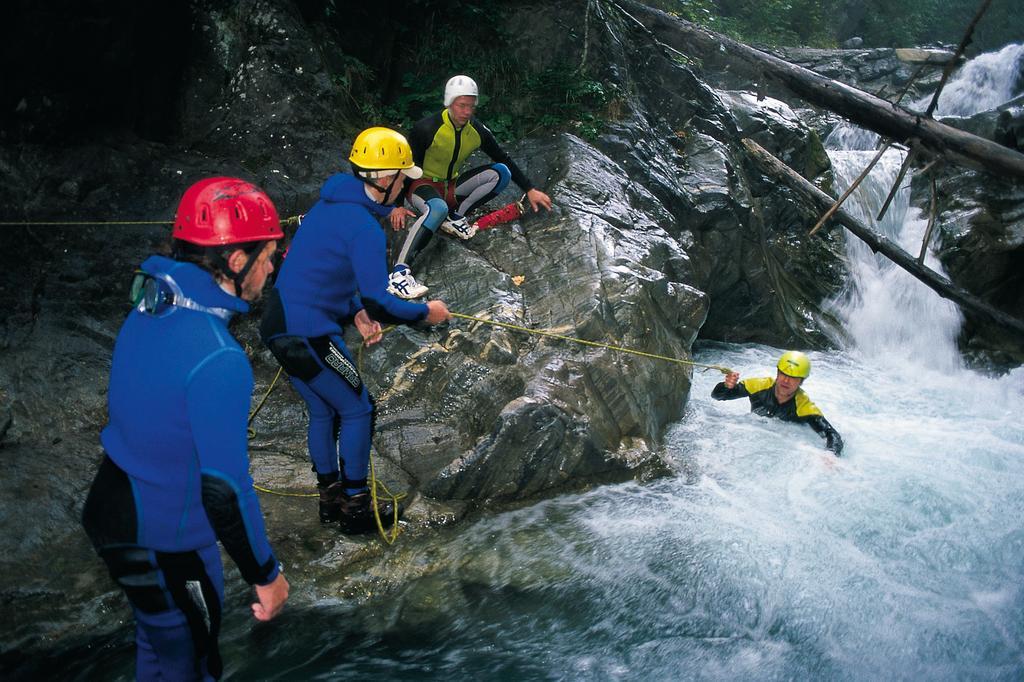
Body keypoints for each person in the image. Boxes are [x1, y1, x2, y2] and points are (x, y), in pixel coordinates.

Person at [81, 177, 290, 681]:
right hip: (161, 538)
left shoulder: (153, 303)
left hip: (116, 505)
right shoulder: (219, 358)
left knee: (161, 653)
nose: (272, 265)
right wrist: (266, 575)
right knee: (193, 666)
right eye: (267, 254)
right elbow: (224, 489)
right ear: (235, 262)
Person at [260, 126, 451, 533]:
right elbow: (381, 298)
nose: (406, 182)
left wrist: (356, 313)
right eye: (403, 176)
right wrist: (424, 313)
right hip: (310, 331)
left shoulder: (327, 208)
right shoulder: (363, 226)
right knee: (359, 408)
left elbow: (323, 273)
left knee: (323, 409)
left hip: (279, 325)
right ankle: (356, 509)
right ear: (383, 179)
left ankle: (331, 503)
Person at [385, 74, 554, 299]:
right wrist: (396, 205)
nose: (466, 111)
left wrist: (529, 189)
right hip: (421, 185)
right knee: (437, 208)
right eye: (461, 105)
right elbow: (405, 165)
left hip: (451, 186)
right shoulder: (426, 128)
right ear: (449, 102)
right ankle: (399, 274)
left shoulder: (477, 130)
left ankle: (455, 217)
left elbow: (502, 157)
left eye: (470, 106)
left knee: (500, 173)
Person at [711, 350, 844, 455]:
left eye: (793, 378)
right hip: (754, 436)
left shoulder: (804, 406)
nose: (786, 381)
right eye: (783, 374)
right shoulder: (759, 386)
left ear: (801, 381)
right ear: (777, 373)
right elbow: (718, 396)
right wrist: (726, 386)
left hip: (788, 445)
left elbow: (832, 435)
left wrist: (830, 455)